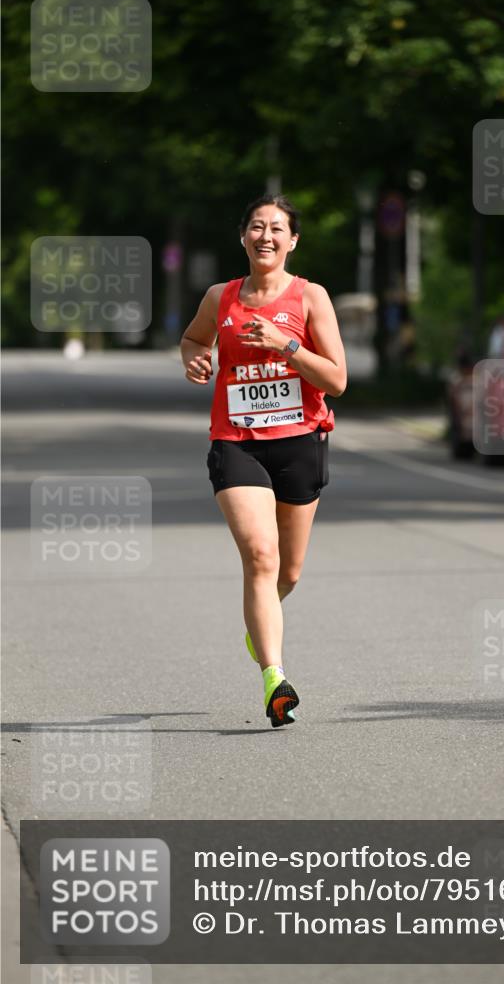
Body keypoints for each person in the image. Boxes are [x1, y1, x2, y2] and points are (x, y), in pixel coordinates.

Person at [180, 194, 347, 728]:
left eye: (277, 228)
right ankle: (275, 679)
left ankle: (261, 625)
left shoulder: (310, 298)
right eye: (257, 227)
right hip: (238, 442)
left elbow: (337, 381)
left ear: (292, 241)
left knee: (289, 572)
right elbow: (191, 339)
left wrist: (286, 346)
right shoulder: (220, 297)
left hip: (299, 442)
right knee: (260, 554)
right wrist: (195, 359)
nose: (266, 236)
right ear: (244, 237)